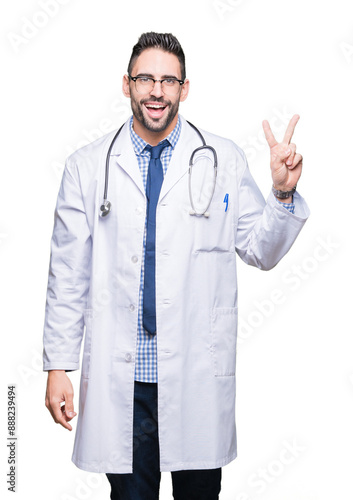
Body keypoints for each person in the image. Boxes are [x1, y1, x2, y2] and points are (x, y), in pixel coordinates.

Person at [43, 32, 310, 500]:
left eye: (169, 80)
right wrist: (58, 366)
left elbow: (259, 250)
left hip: (195, 373)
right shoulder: (87, 167)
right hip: (123, 378)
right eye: (145, 78)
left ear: (185, 89)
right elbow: (68, 273)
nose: (156, 91)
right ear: (126, 85)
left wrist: (282, 193)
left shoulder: (222, 158)